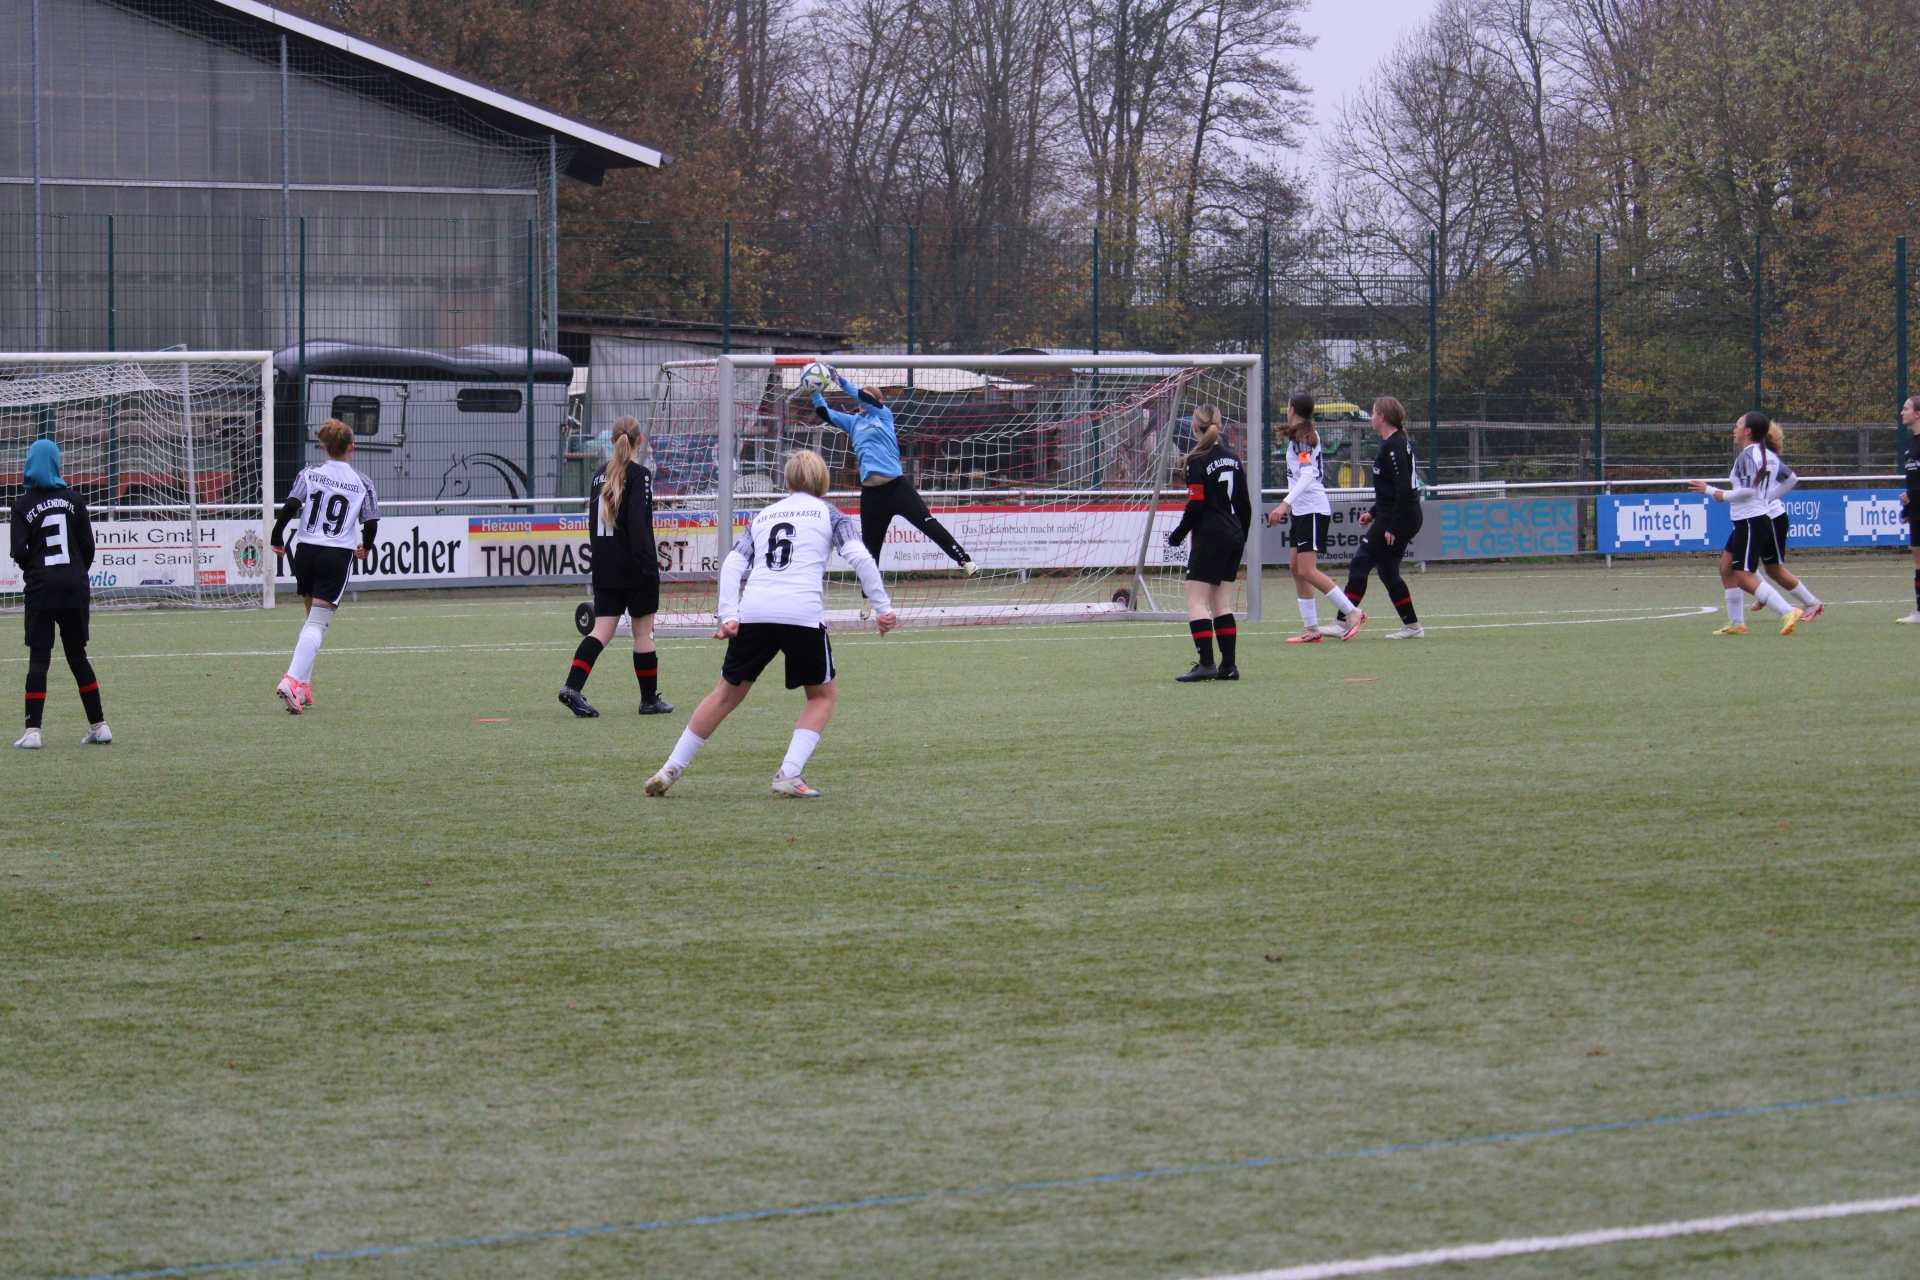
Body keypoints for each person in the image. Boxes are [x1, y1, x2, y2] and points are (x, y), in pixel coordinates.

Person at [644, 450, 897, 799]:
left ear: (788, 480)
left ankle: (670, 769)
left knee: (724, 695)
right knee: (822, 696)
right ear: (822, 481)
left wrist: (729, 615)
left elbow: (732, 565)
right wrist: (883, 608)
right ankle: (789, 774)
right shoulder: (831, 513)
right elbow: (860, 557)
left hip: (755, 611)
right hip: (801, 614)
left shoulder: (763, 516)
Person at [810, 363, 976, 618]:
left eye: (867, 397)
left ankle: (964, 560)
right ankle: (867, 599)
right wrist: (814, 390)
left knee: (927, 523)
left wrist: (839, 380)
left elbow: (862, 397)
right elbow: (823, 412)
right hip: (872, 495)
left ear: (879, 402)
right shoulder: (853, 422)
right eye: (861, 398)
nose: (861, 402)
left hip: (897, 487)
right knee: (870, 550)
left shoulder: (883, 415)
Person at [558, 416, 671, 717]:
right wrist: (648, 567)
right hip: (635, 567)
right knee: (643, 634)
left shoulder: (599, 475)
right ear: (640, 440)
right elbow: (636, 524)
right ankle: (649, 700)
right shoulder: (640, 475)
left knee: (600, 632)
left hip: (605, 567)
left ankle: (572, 687)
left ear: (612, 441)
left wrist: (600, 559)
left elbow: (593, 524)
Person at [268, 418, 379, 712]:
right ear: (352, 447)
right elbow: (370, 523)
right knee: (318, 623)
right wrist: (367, 547)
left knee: (311, 620)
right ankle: (291, 680)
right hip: (335, 555)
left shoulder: (310, 473)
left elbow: (292, 505)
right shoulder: (363, 482)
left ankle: (303, 687)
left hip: (305, 551)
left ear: (324, 446)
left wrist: (277, 536)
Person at [10, 439, 109, 749]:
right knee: (77, 655)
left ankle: (33, 732)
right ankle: (100, 726)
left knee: (40, 657)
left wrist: (36, 569)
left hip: (41, 588)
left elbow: (18, 551)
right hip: (74, 586)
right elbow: (88, 546)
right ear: (56, 463)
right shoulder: (74, 499)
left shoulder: (22, 505)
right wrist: (75, 572)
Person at [1688, 412, 1802, 635]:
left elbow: (1748, 490)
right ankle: (1737, 623)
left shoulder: (1748, 456)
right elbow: (1789, 480)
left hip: (1751, 521)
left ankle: (1788, 611)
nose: (1735, 429)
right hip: (1749, 520)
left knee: (1743, 576)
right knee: (1726, 568)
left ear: (1748, 431)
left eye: (1738, 425)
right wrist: (1766, 499)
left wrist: (1714, 492)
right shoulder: (1767, 455)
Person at [1265, 392, 1365, 643]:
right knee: (1296, 568)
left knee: (1307, 570)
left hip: (1311, 509)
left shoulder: (1303, 439)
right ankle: (1311, 629)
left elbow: (1308, 475)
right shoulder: (1300, 436)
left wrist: (1284, 504)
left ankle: (1352, 612)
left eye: (1288, 405)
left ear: (1292, 410)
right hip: (1302, 511)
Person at [1166, 404, 1252, 680]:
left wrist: (1178, 535)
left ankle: (1206, 665)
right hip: (1234, 535)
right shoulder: (1233, 458)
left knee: (1195, 601)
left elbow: (1196, 505)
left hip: (1211, 537)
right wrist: (1240, 537)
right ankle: (1228, 667)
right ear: (1219, 426)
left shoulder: (1196, 459)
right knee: (1221, 604)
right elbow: (1245, 505)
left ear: (1194, 428)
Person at [1339, 397, 1425, 640]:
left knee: (1361, 562)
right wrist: (1373, 512)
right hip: (1396, 515)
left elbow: (1404, 490)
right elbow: (1392, 489)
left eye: (1374, 412)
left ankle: (1342, 620)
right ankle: (1413, 627)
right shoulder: (1392, 443)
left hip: (1400, 518)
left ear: (1382, 417)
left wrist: (1394, 526)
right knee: (1388, 571)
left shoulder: (1394, 445)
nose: (1371, 417)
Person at [1752, 419, 1825, 622]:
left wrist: (1767, 499)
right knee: (1740, 560)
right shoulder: (1751, 455)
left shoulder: (1766, 458)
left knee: (1773, 570)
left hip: (1772, 519)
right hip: (1756, 517)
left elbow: (1791, 479)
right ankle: (1762, 592)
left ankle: (1812, 603)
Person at [1900, 395, 1920, 624]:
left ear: (1917, 414)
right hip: (1917, 508)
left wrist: (1913, 494)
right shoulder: (1910, 443)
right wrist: (1908, 507)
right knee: (1918, 557)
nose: (1902, 413)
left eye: (1906, 409)